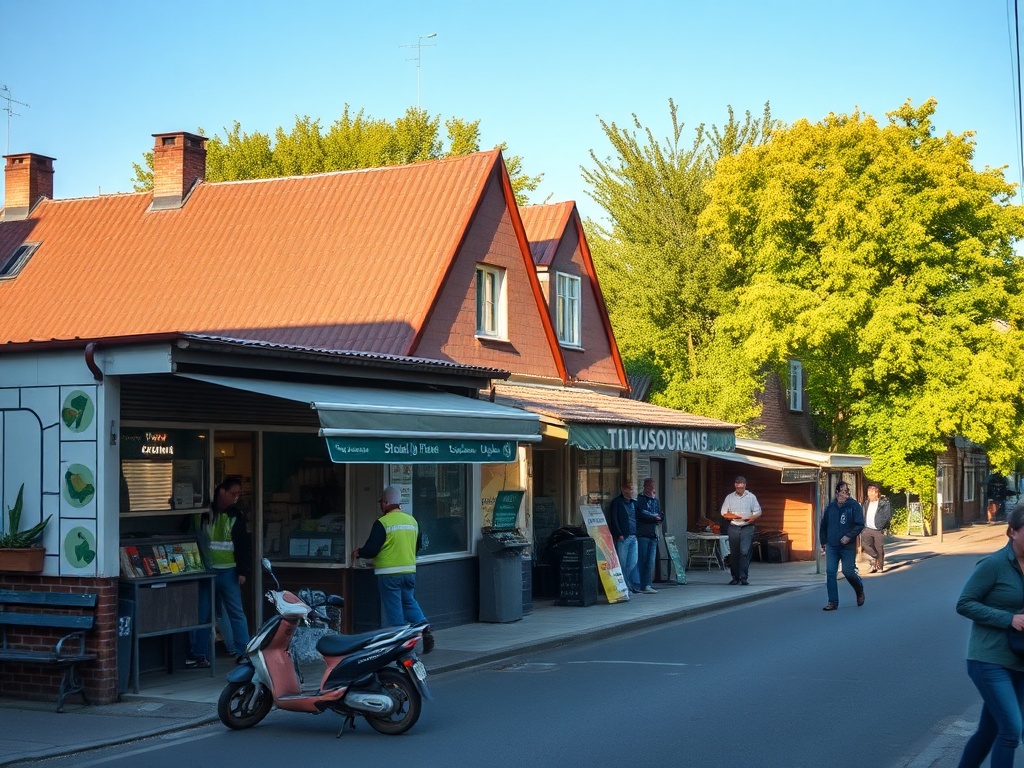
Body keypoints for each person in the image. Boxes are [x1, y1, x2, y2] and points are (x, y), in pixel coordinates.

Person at [955, 504, 1024, 768]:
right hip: (989, 658)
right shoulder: (993, 564)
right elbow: (965, 603)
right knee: (1011, 730)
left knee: (989, 729)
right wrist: (1009, 618)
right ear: (1013, 532)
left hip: (1020, 659)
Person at [353, 486, 434, 653]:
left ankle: (401, 646)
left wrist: (359, 552)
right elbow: (418, 546)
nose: (380, 506)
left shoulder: (382, 523)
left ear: (386, 502)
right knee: (409, 602)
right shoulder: (412, 521)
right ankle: (423, 626)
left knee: (394, 610)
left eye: (381, 502)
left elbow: (372, 549)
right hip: (409, 572)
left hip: (389, 574)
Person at [187, 476, 251, 667]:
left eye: (238, 494)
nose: (235, 498)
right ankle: (199, 654)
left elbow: (242, 545)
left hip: (228, 571)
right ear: (221, 491)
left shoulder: (236, 515)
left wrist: (242, 571)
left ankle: (244, 652)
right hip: (206, 570)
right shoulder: (202, 512)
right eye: (233, 493)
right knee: (204, 613)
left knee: (235, 613)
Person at [819, 480, 865, 611]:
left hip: (847, 546)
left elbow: (860, 524)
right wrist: (823, 542)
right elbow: (823, 526)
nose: (844, 495)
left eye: (847, 492)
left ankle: (859, 588)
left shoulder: (854, 506)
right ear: (837, 492)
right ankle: (832, 601)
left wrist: (849, 536)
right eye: (842, 492)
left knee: (848, 571)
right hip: (832, 545)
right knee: (830, 572)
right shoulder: (830, 507)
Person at [721, 475, 761, 585]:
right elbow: (724, 513)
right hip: (734, 526)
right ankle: (735, 577)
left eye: (742, 488)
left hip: (747, 527)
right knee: (734, 553)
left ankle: (743, 577)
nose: (740, 490)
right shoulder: (729, 498)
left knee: (744, 551)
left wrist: (752, 518)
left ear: (745, 486)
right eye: (738, 488)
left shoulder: (751, 497)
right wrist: (734, 516)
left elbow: (758, 511)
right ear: (735, 485)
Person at [607, 480, 641, 594]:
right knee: (623, 562)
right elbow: (614, 519)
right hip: (623, 537)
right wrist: (619, 533)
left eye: (633, 488)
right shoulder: (617, 502)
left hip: (634, 536)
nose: (632, 491)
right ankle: (624, 586)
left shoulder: (634, 503)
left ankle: (633, 585)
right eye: (630, 489)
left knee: (633, 562)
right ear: (624, 489)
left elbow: (640, 516)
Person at [635, 477, 663, 594]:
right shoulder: (640, 500)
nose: (652, 490)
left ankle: (647, 584)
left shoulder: (655, 501)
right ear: (645, 488)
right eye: (650, 487)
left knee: (650, 561)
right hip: (643, 534)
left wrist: (657, 517)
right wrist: (654, 517)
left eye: (653, 487)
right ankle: (642, 585)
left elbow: (661, 515)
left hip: (653, 534)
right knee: (643, 560)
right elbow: (642, 515)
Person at [861, 482, 892, 573]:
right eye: (869, 492)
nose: (870, 494)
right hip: (867, 528)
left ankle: (879, 566)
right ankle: (875, 557)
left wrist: (882, 526)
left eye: (873, 492)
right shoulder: (866, 502)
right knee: (865, 545)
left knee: (879, 547)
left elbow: (887, 515)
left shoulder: (884, 502)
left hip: (878, 529)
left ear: (877, 493)